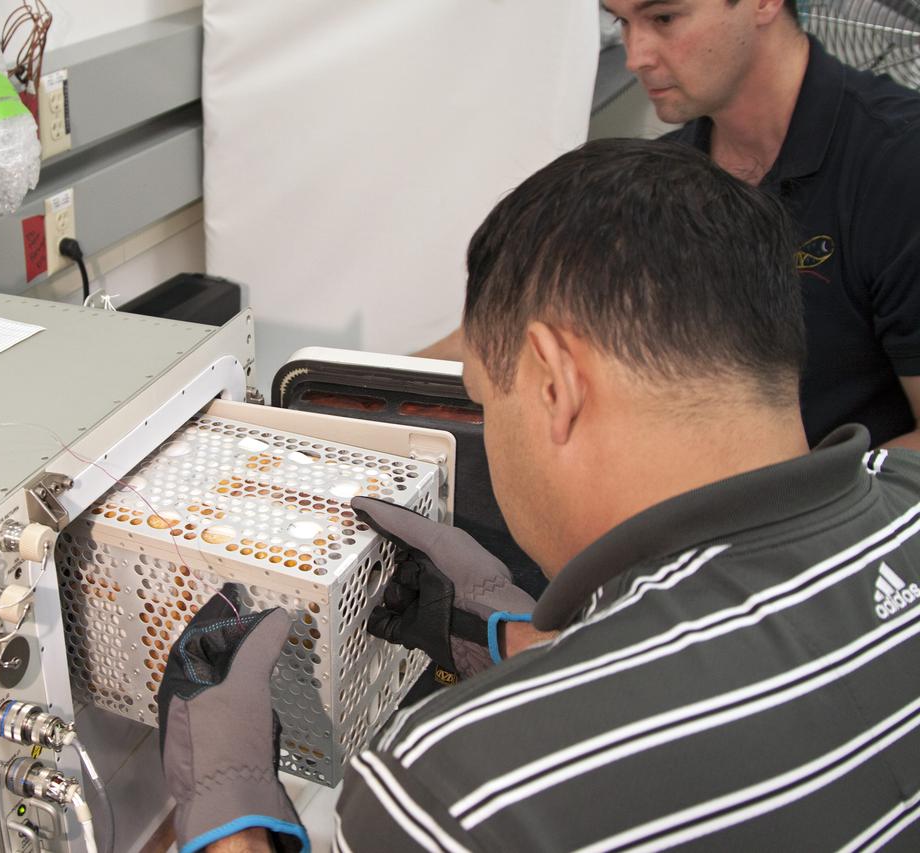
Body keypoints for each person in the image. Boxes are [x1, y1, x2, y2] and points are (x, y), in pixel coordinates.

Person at [154, 139, 920, 851]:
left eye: (485, 400)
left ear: (555, 383)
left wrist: (229, 807)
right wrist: (524, 638)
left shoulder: (460, 791)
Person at [420, 0, 920, 452]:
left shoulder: (898, 165)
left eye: (664, 18)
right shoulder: (654, 185)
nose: (635, 56)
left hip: (832, 514)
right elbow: (503, 329)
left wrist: (789, 503)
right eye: (621, 22)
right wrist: (372, 385)